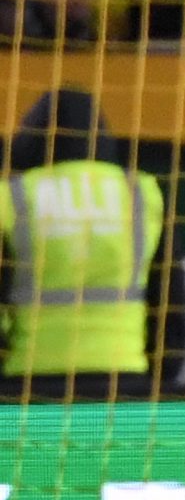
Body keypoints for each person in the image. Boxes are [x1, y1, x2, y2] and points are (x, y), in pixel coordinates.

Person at [0, 89, 171, 384]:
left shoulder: (13, 196)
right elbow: (170, 294)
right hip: (123, 372)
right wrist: (160, 381)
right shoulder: (140, 193)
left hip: (30, 376)